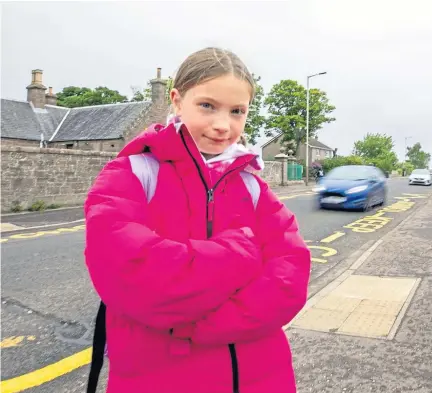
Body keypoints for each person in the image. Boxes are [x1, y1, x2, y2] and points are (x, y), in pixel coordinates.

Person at [84, 47, 312, 393]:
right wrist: (239, 256)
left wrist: (201, 326)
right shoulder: (130, 174)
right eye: (207, 106)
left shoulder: (252, 186)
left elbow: (290, 278)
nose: (223, 125)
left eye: (237, 111)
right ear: (176, 100)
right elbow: (134, 274)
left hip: (262, 377)